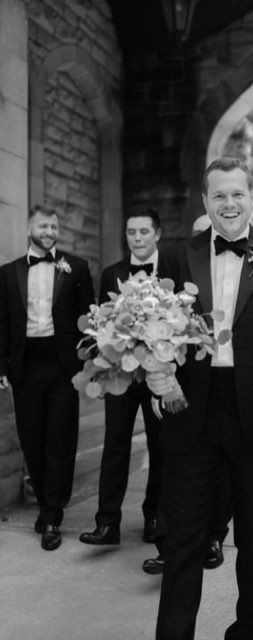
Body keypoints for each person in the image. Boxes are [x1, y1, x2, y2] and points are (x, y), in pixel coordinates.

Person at [145, 156, 253, 640]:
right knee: (183, 538)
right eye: (219, 195)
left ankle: (249, 632)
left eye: (237, 193)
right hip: (190, 412)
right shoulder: (177, 254)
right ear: (205, 201)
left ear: (251, 197)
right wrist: (159, 373)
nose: (229, 203)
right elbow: (158, 329)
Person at [142, 209, 233, 574]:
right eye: (199, 234)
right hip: (181, 387)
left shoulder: (235, 279)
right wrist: (158, 383)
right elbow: (156, 331)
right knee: (173, 465)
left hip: (225, 390)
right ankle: (170, 544)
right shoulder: (175, 274)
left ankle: (213, 536)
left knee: (221, 472)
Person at [0, 204, 95, 550]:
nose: (50, 231)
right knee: (32, 439)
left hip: (63, 366)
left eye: (54, 226)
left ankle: (53, 512)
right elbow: (3, 323)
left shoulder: (77, 267)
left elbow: (89, 318)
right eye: (43, 225)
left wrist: (91, 363)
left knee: (61, 437)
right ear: (29, 228)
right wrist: (2, 366)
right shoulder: (8, 273)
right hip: (25, 367)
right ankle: (44, 501)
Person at [79, 207, 169, 546]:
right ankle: (107, 523)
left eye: (144, 232)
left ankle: (155, 517)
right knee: (114, 444)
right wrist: (103, 373)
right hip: (120, 373)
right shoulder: (111, 273)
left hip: (158, 372)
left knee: (161, 447)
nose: (138, 238)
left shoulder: (172, 269)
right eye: (132, 232)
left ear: (157, 234)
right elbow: (103, 328)